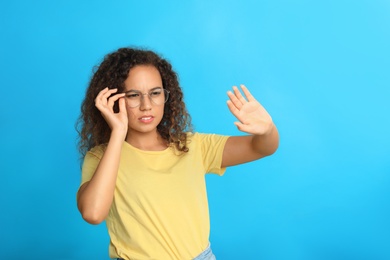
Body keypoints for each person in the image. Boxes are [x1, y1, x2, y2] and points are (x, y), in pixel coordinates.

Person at [76, 47, 279, 260]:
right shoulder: (101, 157)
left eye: (155, 93)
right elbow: (93, 213)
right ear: (113, 99)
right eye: (133, 95)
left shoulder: (193, 146)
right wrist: (118, 132)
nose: (146, 105)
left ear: (166, 96)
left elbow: (262, 147)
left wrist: (268, 129)